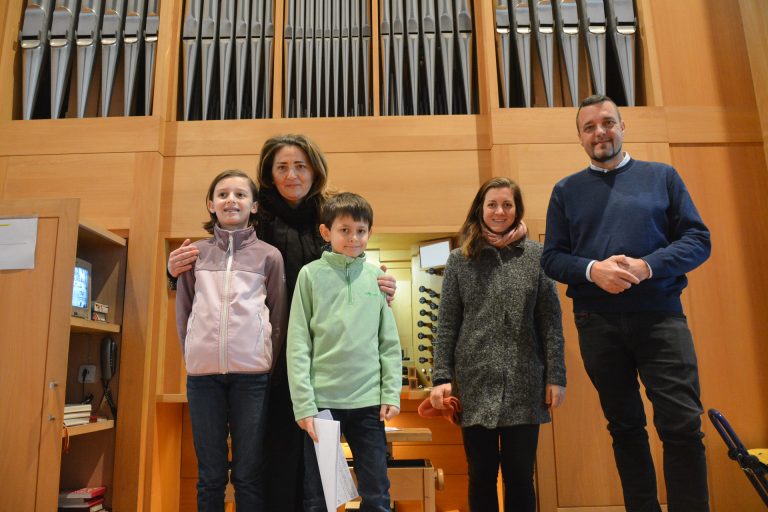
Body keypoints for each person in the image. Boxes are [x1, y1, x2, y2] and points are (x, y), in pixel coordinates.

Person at [167, 134, 396, 511]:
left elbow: (355, 272)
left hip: (324, 371)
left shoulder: (331, 216)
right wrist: (172, 272)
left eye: (301, 166)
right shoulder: (256, 222)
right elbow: (212, 277)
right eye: (282, 167)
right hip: (268, 368)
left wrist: (380, 284)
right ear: (269, 175)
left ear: (315, 171)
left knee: (323, 474)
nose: (292, 175)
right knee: (271, 462)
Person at [541, 94, 711, 512]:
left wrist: (647, 266)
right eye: (589, 127)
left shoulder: (662, 177)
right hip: (597, 322)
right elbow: (552, 258)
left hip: (661, 318)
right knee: (625, 428)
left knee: (682, 425)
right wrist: (592, 269)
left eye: (607, 122)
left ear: (622, 126)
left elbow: (697, 240)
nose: (599, 132)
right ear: (580, 137)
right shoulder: (565, 191)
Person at [429, 177, 566, 512]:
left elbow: (550, 322)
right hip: (474, 384)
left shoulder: (537, 257)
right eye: (492, 204)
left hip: (525, 384)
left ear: (517, 209)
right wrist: (441, 377)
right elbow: (447, 325)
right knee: (481, 475)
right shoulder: (460, 260)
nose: (499, 211)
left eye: (507, 204)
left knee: (520, 476)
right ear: (480, 209)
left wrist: (556, 377)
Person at [175, 169, 287, 511]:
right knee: (209, 476)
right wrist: (193, 356)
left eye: (240, 194)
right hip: (202, 379)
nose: (231, 200)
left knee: (248, 474)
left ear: (254, 206)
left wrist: (265, 361)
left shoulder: (269, 256)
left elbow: (278, 317)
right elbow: (184, 311)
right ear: (211, 204)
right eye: (223, 194)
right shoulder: (194, 254)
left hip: (252, 378)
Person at [287, 192, 402, 512]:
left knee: (377, 495)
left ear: (370, 232)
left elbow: (389, 343)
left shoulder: (377, 278)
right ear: (326, 232)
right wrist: (303, 405)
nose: (354, 238)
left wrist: (391, 393)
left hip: (368, 405)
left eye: (361, 231)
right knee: (321, 497)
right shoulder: (310, 275)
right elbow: (298, 343)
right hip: (322, 405)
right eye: (345, 230)